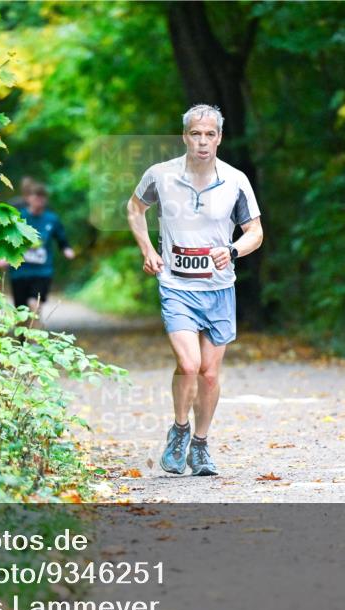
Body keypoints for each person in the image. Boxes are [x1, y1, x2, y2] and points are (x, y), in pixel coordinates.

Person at [126, 104, 263, 476]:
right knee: (188, 364)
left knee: (210, 374)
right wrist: (149, 250)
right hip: (176, 285)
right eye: (195, 134)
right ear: (185, 136)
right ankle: (179, 431)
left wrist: (232, 250)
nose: (203, 142)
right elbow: (134, 209)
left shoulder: (235, 180)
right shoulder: (161, 175)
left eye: (210, 134)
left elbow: (255, 232)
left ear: (219, 137)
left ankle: (200, 446)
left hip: (219, 288)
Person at [9, 179, 75, 320]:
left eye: (42, 197)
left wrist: (66, 249)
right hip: (19, 271)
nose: (39, 200)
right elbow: (8, 239)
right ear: (28, 198)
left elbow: (61, 238)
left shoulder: (52, 219)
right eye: (36, 196)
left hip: (42, 271)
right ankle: (22, 340)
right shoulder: (19, 217)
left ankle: (34, 341)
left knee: (35, 304)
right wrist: (4, 257)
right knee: (21, 312)